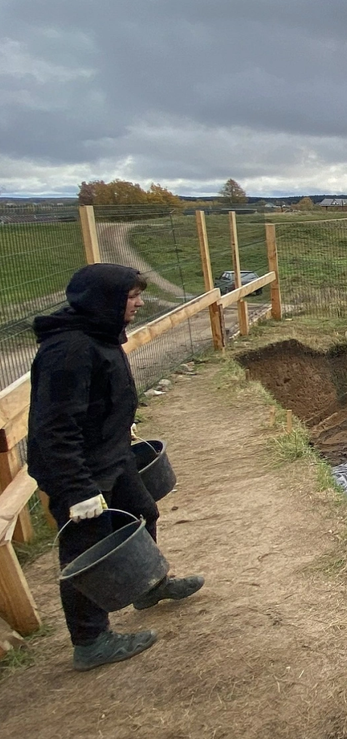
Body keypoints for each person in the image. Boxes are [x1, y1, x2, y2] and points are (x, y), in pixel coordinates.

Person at [26, 264, 204, 671]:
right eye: (132, 297)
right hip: (82, 472)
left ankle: (147, 586)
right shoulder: (68, 350)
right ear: (105, 300)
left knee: (143, 513)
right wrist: (76, 491)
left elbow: (96, 399)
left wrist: (120, 423)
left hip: (112, 455)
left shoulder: (99, 335)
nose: (139, 303)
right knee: (86, 553)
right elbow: (54, 427)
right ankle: (90, 641)